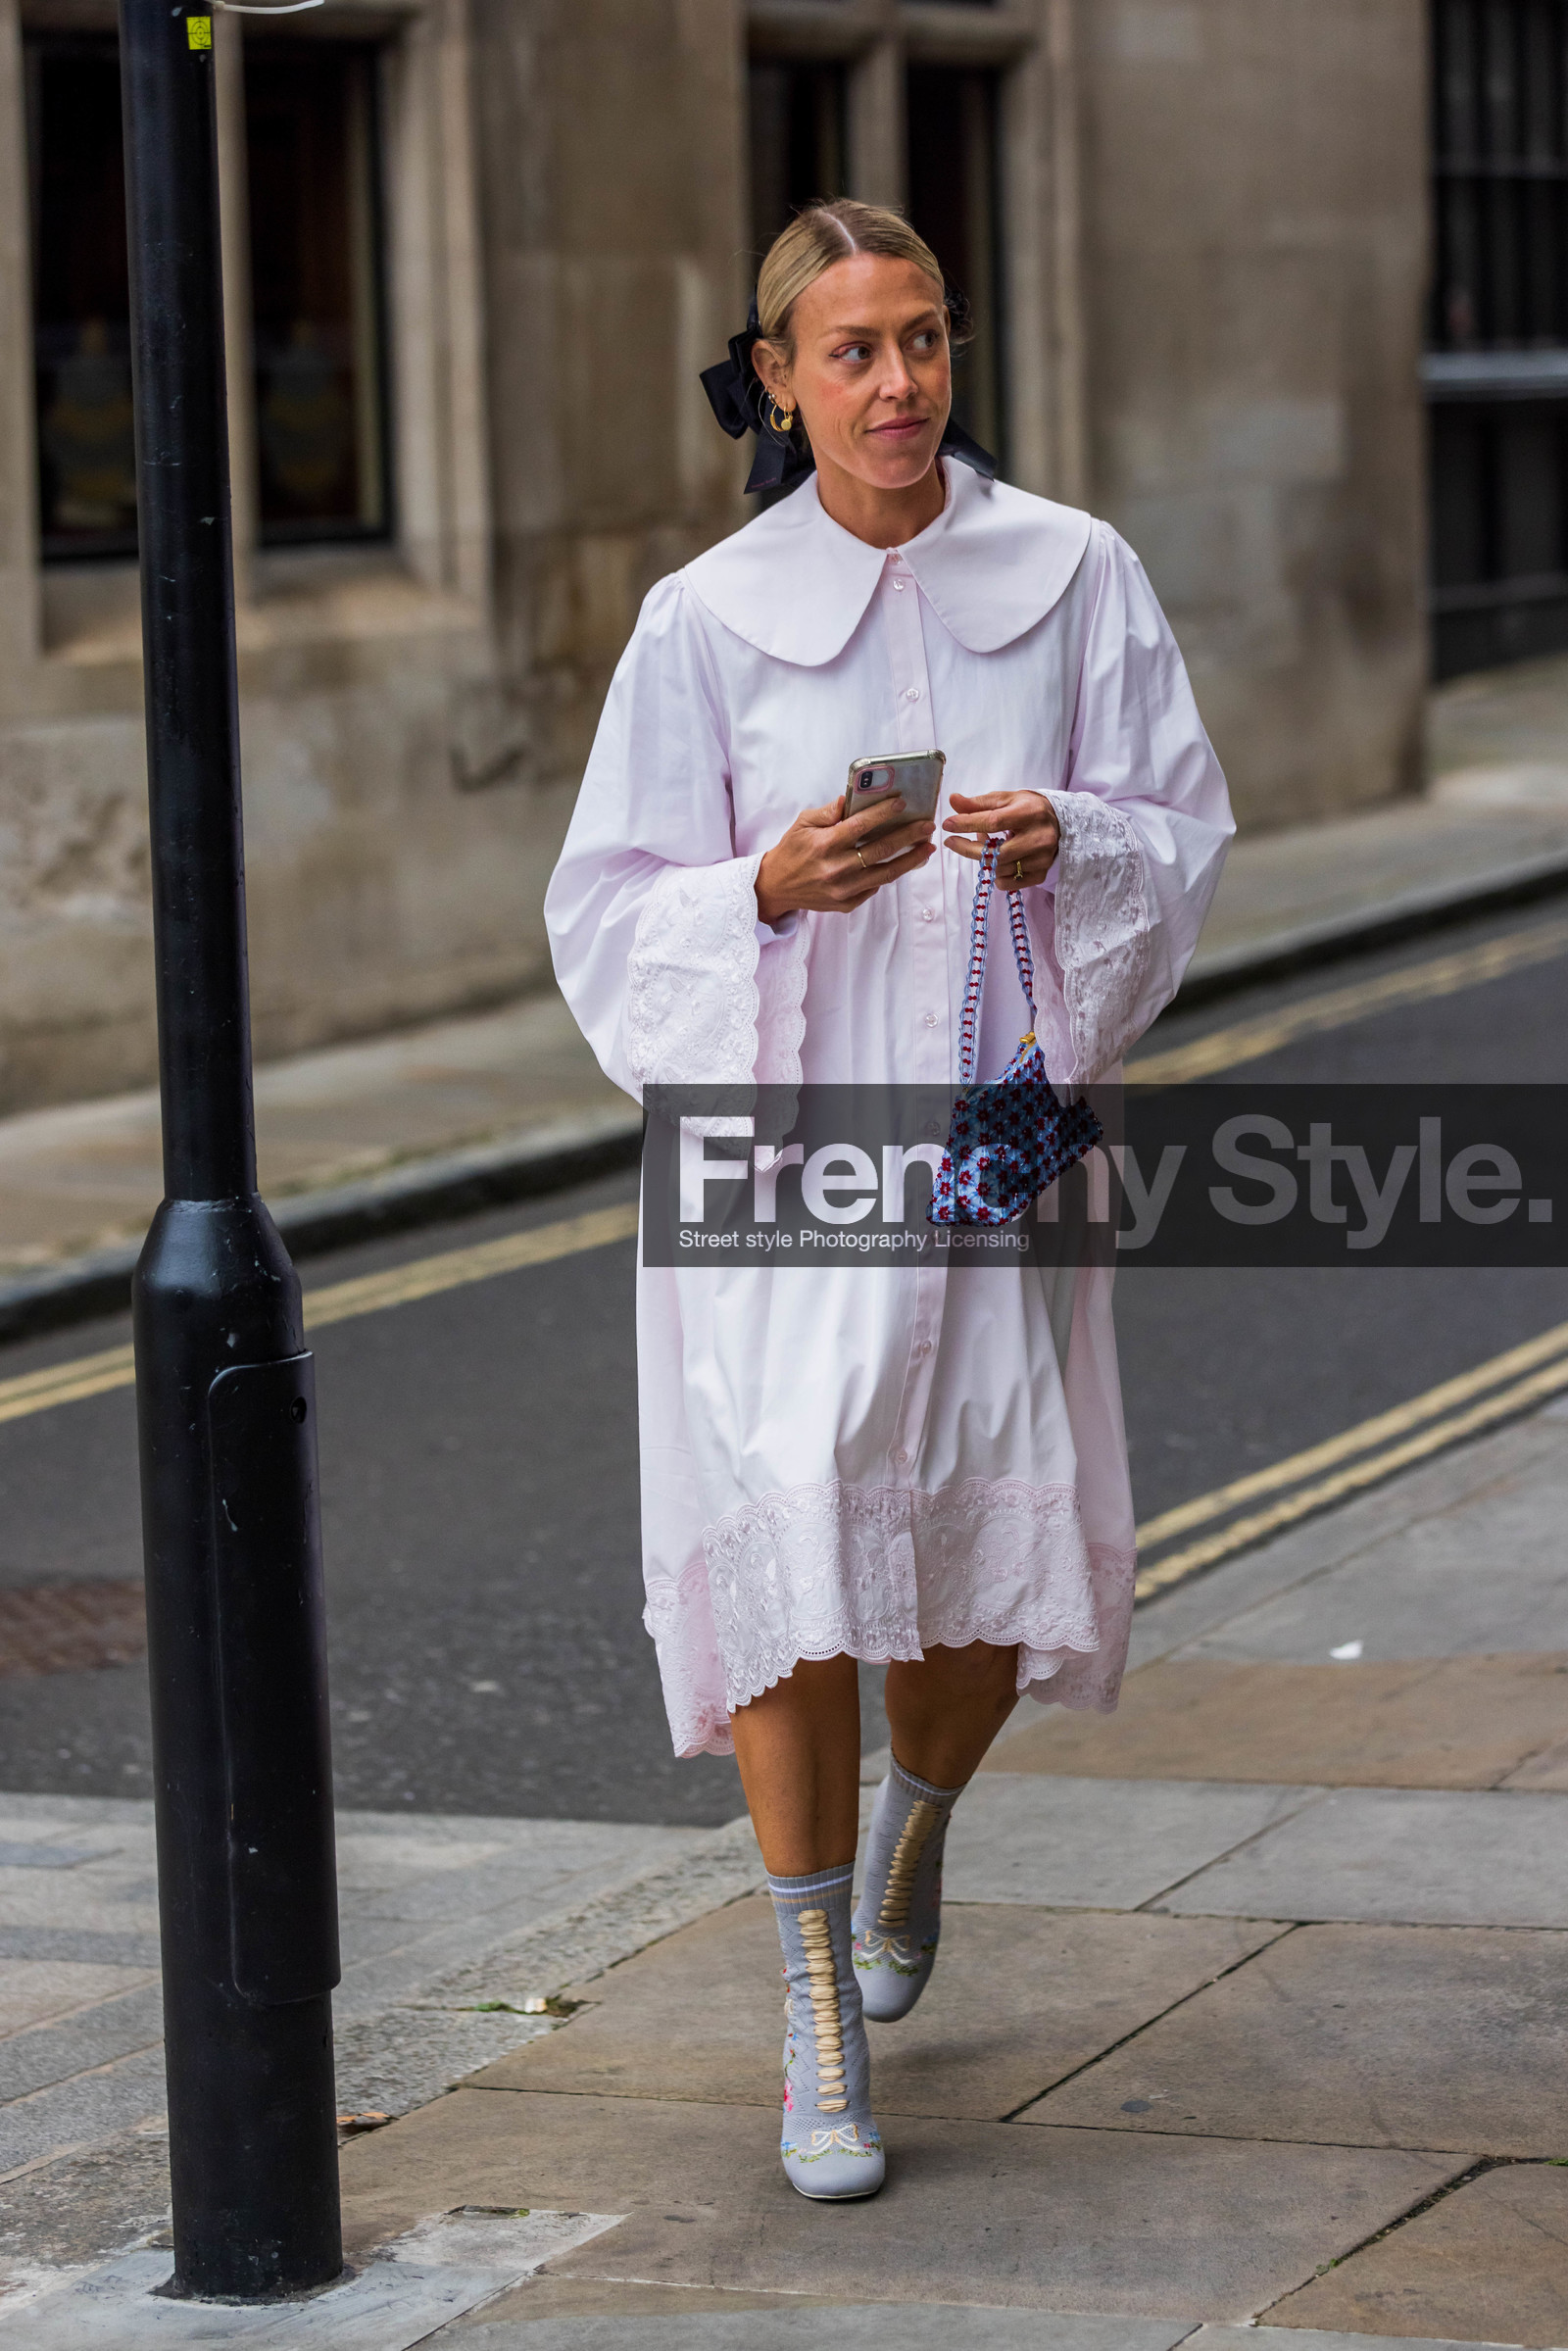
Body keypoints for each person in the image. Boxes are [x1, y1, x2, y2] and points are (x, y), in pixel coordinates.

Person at [545, 200, 1234, 2202]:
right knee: (793, 1517)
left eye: (920, 340)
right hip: (776, 1135)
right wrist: (765, 888)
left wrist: (1064, 842)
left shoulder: (1072, 573)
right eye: (847, 352)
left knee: (975, 1556)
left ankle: (913, 1829)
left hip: (987, 1128)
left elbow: (1178, 838)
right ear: (774, 379)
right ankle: (813, 2010)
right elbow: (600, 913)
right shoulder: (700, 616)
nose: (897, 385)